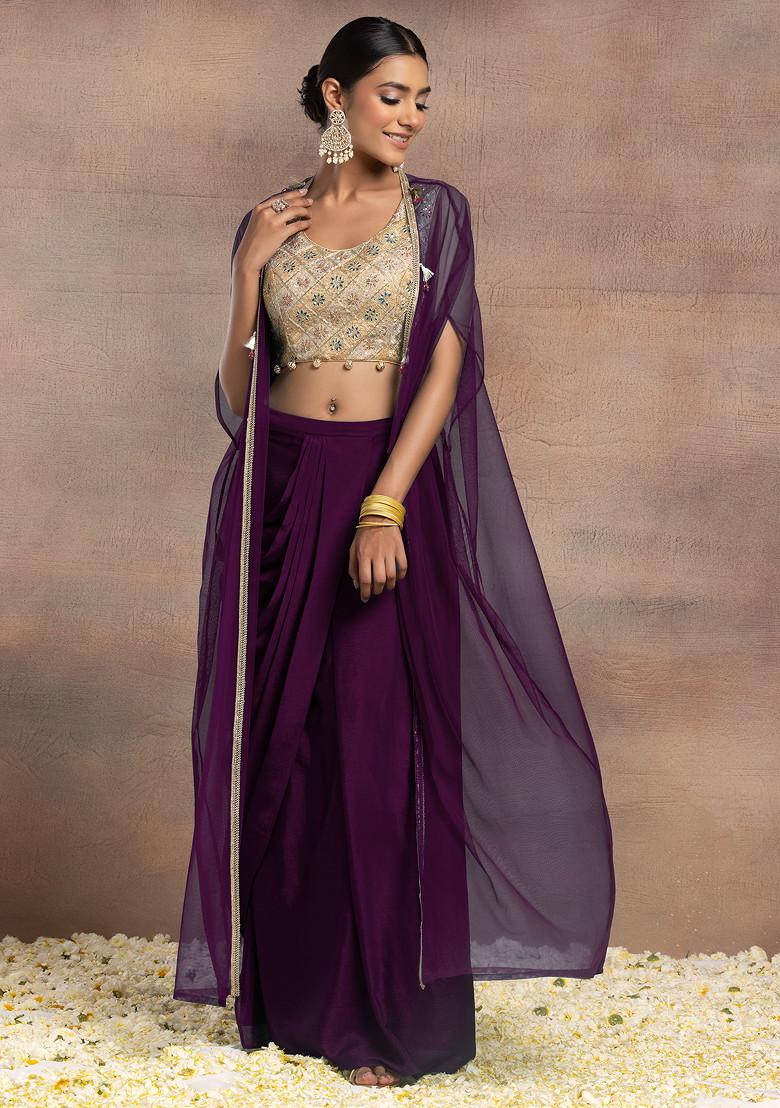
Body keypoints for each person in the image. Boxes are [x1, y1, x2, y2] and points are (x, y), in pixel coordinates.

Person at [174, 15, 616, 1091]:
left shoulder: (437, 215)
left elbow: (448, 372)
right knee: (288, 747)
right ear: (336, 96)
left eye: (422, 99)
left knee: (378, 755)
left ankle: (385, 1018)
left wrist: (385, 507)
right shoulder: (268, 220)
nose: (411, 117)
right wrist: (247, 275)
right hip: (281, 492)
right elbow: (236, 400)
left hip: (380, 486)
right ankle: (296, 1002)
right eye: (391, 96)